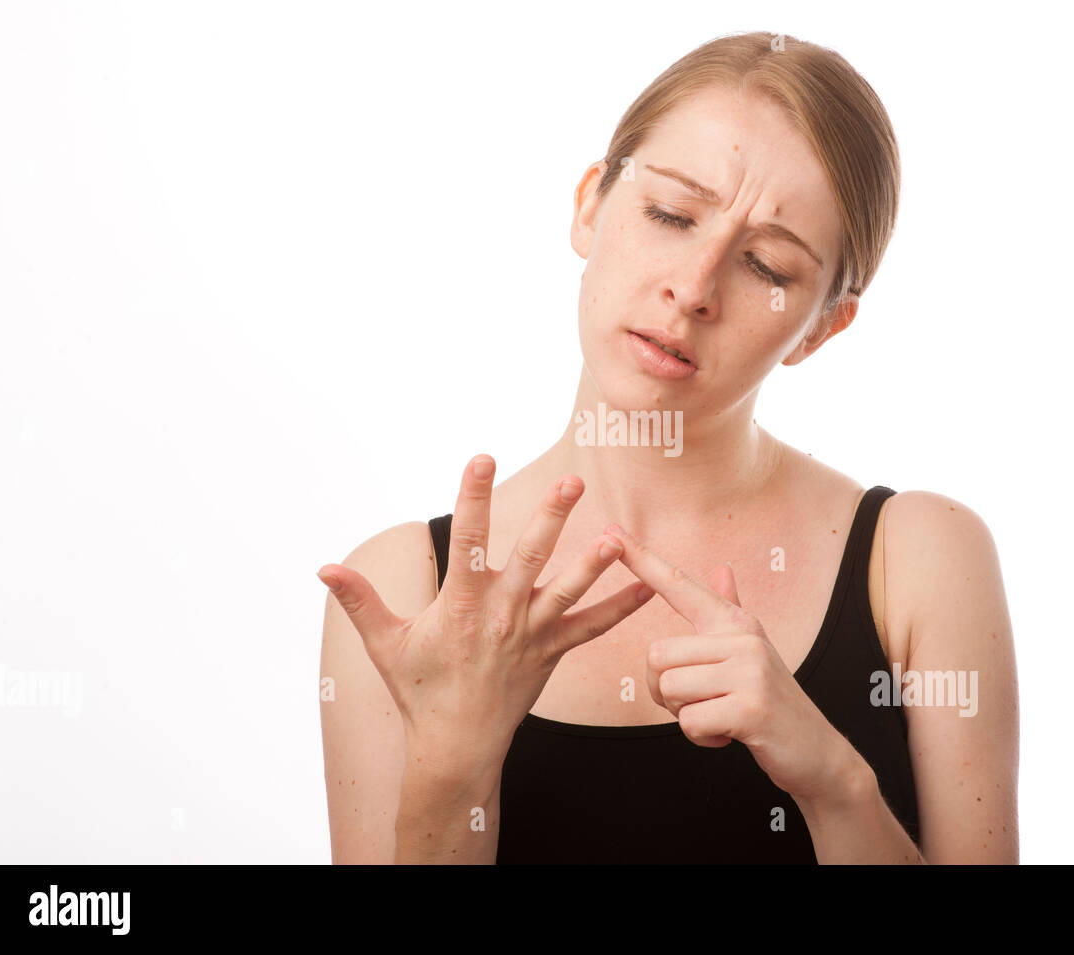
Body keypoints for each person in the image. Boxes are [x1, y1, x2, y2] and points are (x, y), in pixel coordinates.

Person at [316, 31, 1019, 864]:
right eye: (671, 215)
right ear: (590, 204)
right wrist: (452, 769)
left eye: (765, 265)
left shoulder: (919, 559)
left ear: (821, 328)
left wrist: (835, 782)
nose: (693, 288)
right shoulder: (408, 589)